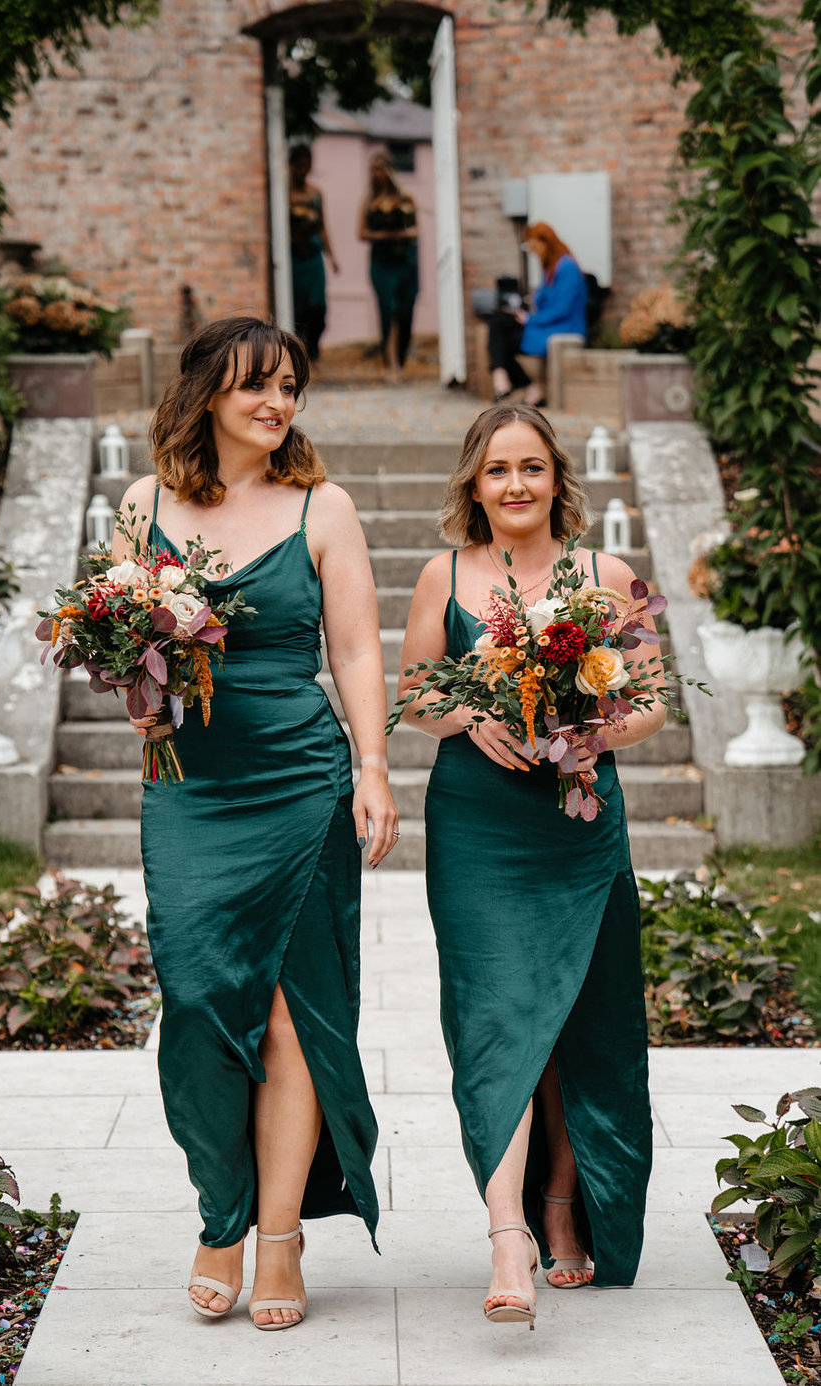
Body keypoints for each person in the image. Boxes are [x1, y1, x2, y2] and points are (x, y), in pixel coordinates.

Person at [112, 316, 399, 1331]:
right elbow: (120, 646)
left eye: (289, 388)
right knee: (196, 1006)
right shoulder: (141, 504)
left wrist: (372, 767)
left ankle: (271, 1236)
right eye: (256, 388)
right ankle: (219, 1208)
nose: (278, 405)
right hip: (187, 781)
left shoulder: (325, 507)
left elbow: (359, 651)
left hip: (298, 778)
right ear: (205, 396)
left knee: (291, 1018)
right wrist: (129, 680)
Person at [398, 402, 661, 1329]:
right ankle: (508, 1229)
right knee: (497, 1012)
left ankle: (561, 1203)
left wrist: (591, 730)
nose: (516, 485)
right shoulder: (445, 574)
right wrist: (470, 717)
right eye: (498, 469)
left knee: (571, 1017)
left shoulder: (607, 574)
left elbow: (652, 705)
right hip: (479, 822)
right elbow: (417, 690)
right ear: (474, 482)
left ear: (559, 479)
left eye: (532, 468)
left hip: (577, 822)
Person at [489, 222, 588, 406]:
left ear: (546, 243)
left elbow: (562, 309)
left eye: (535, 247)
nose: (533, 253)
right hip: (545, 324)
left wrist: (530, 318)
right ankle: (509, 379)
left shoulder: (567, 268)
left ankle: (510, 382)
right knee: (498, 323)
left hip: (562, 327)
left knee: (503, 341)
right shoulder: (549, 269)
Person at [358, 150, 419, 385]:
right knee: (388, 311)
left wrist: (399, 232)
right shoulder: (368, 201)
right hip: (381, 263)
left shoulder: (405, 198)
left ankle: (401, 362)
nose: (377, 174)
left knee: (405, 312)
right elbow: (361, 232)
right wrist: (383, 233)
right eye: (373, 169)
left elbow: (416, 230)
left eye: (381, 168)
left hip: (404, 261)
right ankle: (390, 364)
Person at [288, 144, 339, 362]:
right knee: (297, 307)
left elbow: (323, 226)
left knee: (318, 307)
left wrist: (332, 256)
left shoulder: (316, 193)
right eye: (298, 165)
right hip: (293, 256)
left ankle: (313, 351)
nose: (303, 170)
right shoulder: (284, 194)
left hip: (314, 255)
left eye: (306, 165)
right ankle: (299, 356)